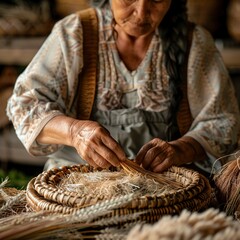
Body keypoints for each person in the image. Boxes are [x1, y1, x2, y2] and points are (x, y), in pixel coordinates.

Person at [7, 0, 240, 175]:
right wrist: (75, 132)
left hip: (165, 186)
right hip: (78, 181)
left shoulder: (194, 42)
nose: (141, 12)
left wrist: (181, 150)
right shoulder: (75, 34)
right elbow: (23, 105)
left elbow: (222, 122)